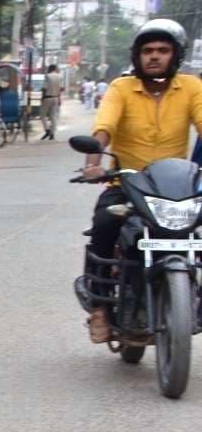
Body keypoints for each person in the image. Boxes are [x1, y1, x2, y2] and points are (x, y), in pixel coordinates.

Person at [80, 19, 202, 343]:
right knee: (104, 225)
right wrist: (93, 163)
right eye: (148, 50)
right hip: (126, 185)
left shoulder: (191, 87)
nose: (154, 56)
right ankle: (99, 309)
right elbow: (104, 125)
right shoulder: (121, 89)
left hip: (176, 190)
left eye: (163, 50)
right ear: (137, 56)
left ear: (175, 55)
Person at [40, 63, 64, 140]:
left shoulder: (48, 76)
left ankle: (47, 130)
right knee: (53, 116)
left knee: (43, 115)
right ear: (55, 69)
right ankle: (52, 133)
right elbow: (61, 89)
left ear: (50, 69)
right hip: (56, 98)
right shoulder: (60, 77)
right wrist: (59, 97)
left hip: (47, 97)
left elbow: (44, 88)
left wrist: (42, 98)